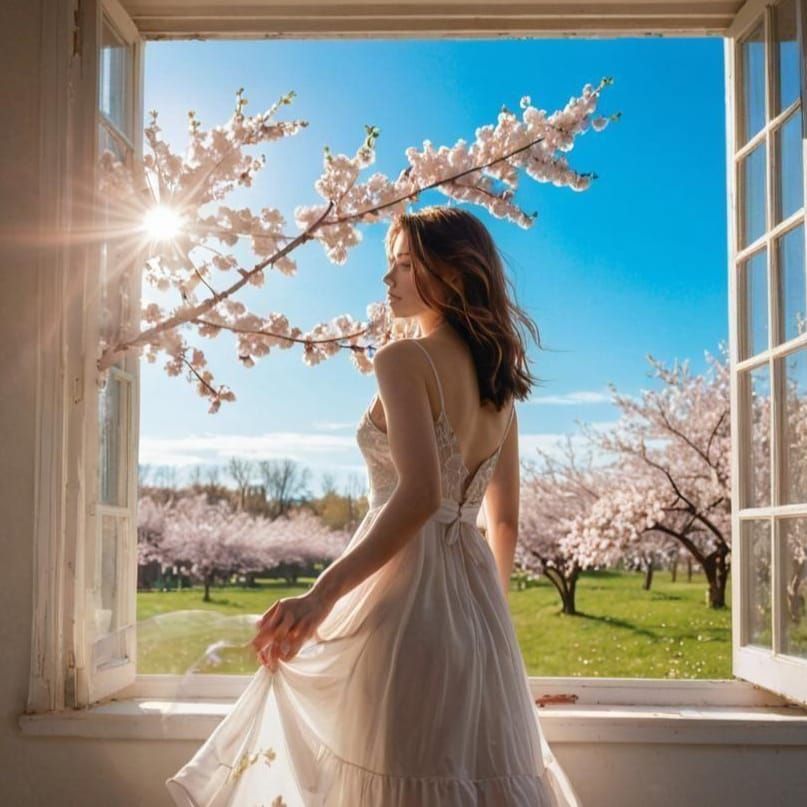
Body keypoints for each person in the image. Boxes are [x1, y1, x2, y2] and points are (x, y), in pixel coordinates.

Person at [165, 205, 580, 806]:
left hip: (401, 605)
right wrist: (489, 629)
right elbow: (505, 520)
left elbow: (419, 496)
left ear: (455, 274)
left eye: (406, 265)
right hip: (479, 618)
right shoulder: (501, 388)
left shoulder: (402, 359)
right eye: (391, 265)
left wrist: (320, 596)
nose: (389, 279)